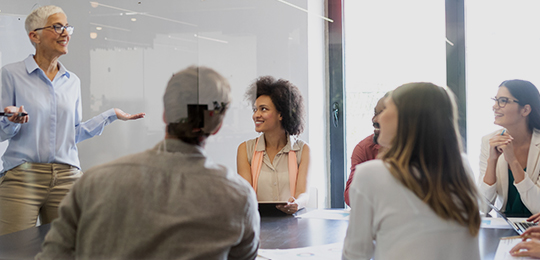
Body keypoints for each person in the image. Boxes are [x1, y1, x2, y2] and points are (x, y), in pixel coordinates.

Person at [36, 66, 260, 260]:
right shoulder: (238, 197)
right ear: (217, 126)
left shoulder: (93, 182)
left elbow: (54, 255)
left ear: (164, 115)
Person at [0, 5, 144, 236]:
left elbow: (72, 133)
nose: (65, 33)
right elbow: (2, 133)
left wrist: (109, 115)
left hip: (67, 177)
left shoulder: (72, 81)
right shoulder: (11, 73)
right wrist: (13, 120)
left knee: (69, 249)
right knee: (13, 250)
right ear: (34, 36)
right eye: (57, 27)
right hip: (23, 177)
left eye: (67, 27)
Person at [342, 82, 481, 260]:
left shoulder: (371, 174)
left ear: (407, 120)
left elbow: (355, 255)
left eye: (385, 110)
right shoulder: (461, 166)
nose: (377, 119)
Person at [236, 76, 310, 215]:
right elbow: (246, 195)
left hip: (293, 224)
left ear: (281, 114)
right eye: (255, 109)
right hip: (258, 223)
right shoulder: (245, 149)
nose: (256, 115)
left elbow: (303, 194)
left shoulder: (303, 150)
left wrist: (296, 204)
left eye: (263, 109)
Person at [479, 79, 540, 217]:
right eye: (495, 100)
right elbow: (482, 206)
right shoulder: (488, 141)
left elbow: (538, 207)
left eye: (503, 100)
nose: (495, 106)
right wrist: (492, 161)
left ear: (525, 110)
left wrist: (513, 161)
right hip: (505, 225)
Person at [344, 93, 387, 206]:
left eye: (382, 113)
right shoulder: (364, 149)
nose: (373, 119)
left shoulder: (418, 153)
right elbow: (350, 197)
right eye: (374, 113)